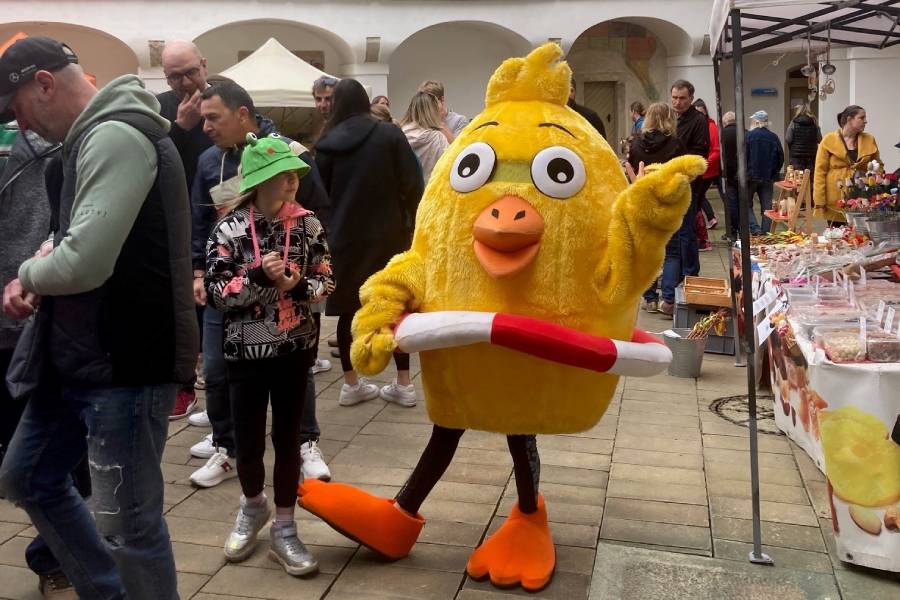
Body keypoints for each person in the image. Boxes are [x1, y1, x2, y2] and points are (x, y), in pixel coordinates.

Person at [0, 36, 198, 600]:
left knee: (129, 526)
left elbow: (86, 261)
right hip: (82, 357)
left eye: (17, 110)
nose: (23, 127)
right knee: (27, 477)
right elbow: (83, 237)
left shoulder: (115, 134)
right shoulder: (92, 138)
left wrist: (27, 274)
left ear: (43, 83)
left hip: (126, 361)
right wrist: (46, 255)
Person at [189, 79, 332, 487]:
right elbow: (200, 221)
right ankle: (228, 447)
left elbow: (317, 206)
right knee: (219, 370)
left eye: (213, 118)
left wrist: (302, 270)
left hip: (291, 299)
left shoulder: (291, 151)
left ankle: (305, 442)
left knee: (296, 372)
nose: (206, 128)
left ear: (242, 114)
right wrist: (200, 271)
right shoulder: (207, 162)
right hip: (232, 286)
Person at [206, 133, 334, 575]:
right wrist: (258, 275)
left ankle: (284, 527)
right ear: (263, 182)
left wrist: (298, 285)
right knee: (246, 440)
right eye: (285, 176)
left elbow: (326, 281)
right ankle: (252, 505)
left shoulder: (309, 225)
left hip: (295, 349)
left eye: (296, 174)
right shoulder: (229, 228)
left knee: (288, 439)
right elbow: (217, 292)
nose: (294, 181)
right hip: (244, 353)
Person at [0, 122, 85, 599]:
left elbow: (66, 227)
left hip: (33, 322)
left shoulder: (48, 143)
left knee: (46, 459)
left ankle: (54, 558)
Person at [315, 79, 424, 407]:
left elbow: (320, 197)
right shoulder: (389, 134)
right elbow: (413, 184)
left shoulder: (325, 144)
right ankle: (403, 382)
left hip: (343, 237)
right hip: (388, 236)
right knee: (392, 306)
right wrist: (410, 224)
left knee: (349, 309)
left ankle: (352, 383)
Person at [158, 39, 214, 421]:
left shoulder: (223, 99)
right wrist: (180, 128)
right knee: (180, 305)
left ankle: (216, 382)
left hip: (219, 218)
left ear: (204, 66)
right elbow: (153, 165)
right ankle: (183, 384)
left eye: (190, 72)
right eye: (174, 76)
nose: (183, 83)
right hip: (175, 222)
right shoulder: (159, 107)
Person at [626, 102, 687, 314]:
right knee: (671, 252)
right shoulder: (675, 144)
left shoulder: (636, 143)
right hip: (668, 202)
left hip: (644, 201)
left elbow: (631, 171)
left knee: (647, 250)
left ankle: (649, 298)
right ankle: (668, 301)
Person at [666, 79, 709, 315]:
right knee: (675, 236)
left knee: (687, 234)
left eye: (681, 98)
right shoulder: (672, 118)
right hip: (671, 185)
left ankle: (691, 276)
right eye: (674, 97)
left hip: (689, 185)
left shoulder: (698, 120)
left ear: (690, 98)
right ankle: (678, 277)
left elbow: (700, 156)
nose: (677, 102)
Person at [814, 104, 880, 223]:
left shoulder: (869, 139)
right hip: (836, 197)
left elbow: (878, 165)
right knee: (837, 236)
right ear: (849, 119)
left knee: (862, 235)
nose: (866, 121)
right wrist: (819, 200)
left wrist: (875, 187)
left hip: (862, 197)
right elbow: (819, 172)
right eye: (862, 118)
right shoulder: (828, 140)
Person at [745, 110, 784, 233]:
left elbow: (741, 157)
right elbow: (780, 158)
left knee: (746, 205)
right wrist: (774, 172)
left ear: (756, 122)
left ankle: (755, 228)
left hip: (750, 177)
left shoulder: (748, 136)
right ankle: (766, 232)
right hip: (768, 177)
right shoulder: (773, 137)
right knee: (767, 208)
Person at [400, 91, 450, 184]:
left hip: (407, 190)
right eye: (439, 110)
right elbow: (448, 165)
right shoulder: (437, 137)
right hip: (431, 189)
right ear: (433, 112)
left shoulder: (400, 133)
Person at [692, 98, 722, 233]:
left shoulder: (711, 126)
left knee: (697, 198)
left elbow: (716, 150)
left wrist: (703, 163)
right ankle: (707, 221)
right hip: (698, 170)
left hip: (707, 171)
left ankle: (704, 227)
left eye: (701, 113)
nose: (699, 116)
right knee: (698, 198)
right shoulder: (695, 126)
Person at [785, 103, 821, 181]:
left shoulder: (793, 122)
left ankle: (799, 193)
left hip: (796, 158)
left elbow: (788, 139)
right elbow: (819, 139)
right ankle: (809, 193)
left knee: (798, 180)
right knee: (810, 180)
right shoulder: (814, 123)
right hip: (811, 157)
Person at [719, 111, 740, 240]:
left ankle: (732, 232)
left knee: (731, 204)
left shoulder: (722, 135)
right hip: (742, 174)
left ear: (725, 122)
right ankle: (742, 230)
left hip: (728, 174)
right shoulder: (745, 132)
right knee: (743, 204)